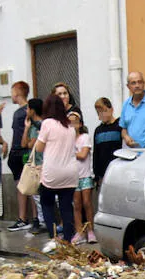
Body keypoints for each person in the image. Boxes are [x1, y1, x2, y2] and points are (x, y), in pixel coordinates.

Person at [33, 94, 77, 250]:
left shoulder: (47, 123)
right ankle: (68, 240)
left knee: (47, 203)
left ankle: (53, 238)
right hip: (70, 173)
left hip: (52, 172)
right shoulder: (70, 126)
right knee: (66, 207)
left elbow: (39, 148)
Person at [7, 81, 37, 232]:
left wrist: (13, 151)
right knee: (31, 185)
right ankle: (36, 218)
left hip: (20, 152)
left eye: (12, 92)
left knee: (23, 186)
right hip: (28, 152)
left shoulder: (19, 112)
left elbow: (17, 135)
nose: (11, 95)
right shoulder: (31, 110)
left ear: (17, 93)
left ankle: (23, 218)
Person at [90, 97, 122, 228]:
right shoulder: (98, 131)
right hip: (103, 173)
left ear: (111, 109)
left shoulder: (120, 126)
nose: (101, 115)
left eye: (103, 111)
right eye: (99, 113)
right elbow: (96, 153)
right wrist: (97, 175)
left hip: (118, 171)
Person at [20, 97, 46, 234]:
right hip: (35, 163)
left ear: (33, 110)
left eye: (28, 108)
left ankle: (43, 222)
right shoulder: (31, 125)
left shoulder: (41, 125)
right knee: (36, 195)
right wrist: (26, 128)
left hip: (41, 163)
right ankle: (41, 221)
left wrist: (29, 130)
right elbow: (24, 144)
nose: (26, 110)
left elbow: (30, 144)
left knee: (40, 195)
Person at [69, 110, 93, 244]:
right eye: (70, 123)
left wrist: (70, 153)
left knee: (87, 203)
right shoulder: (66, 140)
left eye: (75, 123)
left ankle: (90, 230)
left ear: (80, 124)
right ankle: (79, 232)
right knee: (76, 205)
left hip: (85, 175)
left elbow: (83, 155)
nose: (72, 125)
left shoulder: (85, 137)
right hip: (72, 176)